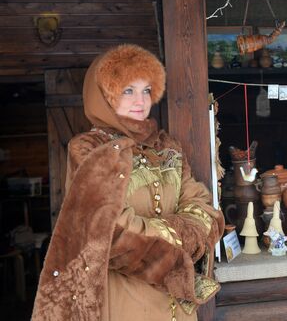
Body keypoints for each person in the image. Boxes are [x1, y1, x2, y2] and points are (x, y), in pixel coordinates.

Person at [32, 44, 224, 321]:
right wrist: (180, 235)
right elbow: (108, 231)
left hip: (178, 305)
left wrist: (165, 235)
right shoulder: (89, 148)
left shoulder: (167, 146)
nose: (141, 100)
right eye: (128, 90)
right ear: (105, 96)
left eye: (146, 90)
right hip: (125, 300)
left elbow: (203, 206)